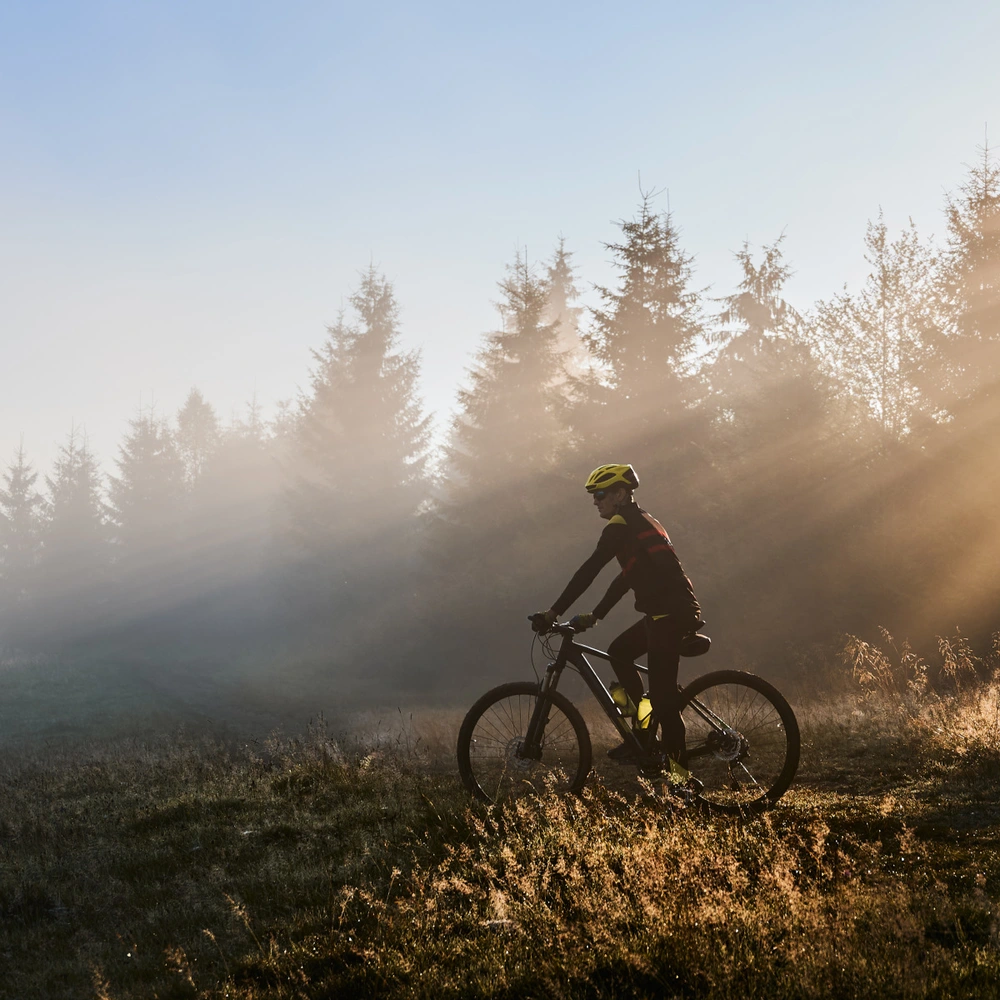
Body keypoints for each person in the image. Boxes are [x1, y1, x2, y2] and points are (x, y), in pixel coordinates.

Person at [534, 463, 703, 764]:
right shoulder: (641, 521)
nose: (595, 501)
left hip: (670, 615)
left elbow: (591, 568)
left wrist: (553, 612)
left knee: (664, 703)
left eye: (600, 494)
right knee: (619, 653)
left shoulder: (622, 523)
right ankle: (642, 730)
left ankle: (681, 782)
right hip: (664, 613)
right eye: (594, 496)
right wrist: (595, 615)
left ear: (621, 493)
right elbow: (627, 577)